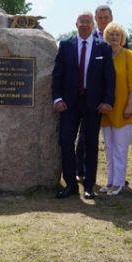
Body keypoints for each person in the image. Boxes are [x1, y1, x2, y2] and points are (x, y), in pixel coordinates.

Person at [53, 11, 115, 199]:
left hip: (93, 104)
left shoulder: (103, 47)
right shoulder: (66, 45)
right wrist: (57, 98)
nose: (85, 25)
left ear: (93, 25)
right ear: (76, 23)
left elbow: (109, 77)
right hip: (69, 104)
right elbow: (57, 75)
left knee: (91, 144)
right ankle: (71, 184)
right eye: (82, 22)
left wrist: (107, 101)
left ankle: (89, 186)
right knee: (65, 141)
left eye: (88, 22)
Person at [98, 22, 132, 196]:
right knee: (108, 147)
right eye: (110, 35)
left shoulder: (128, 55)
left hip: (124, 108)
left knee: (120, 147)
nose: (114, 38)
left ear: (122, 38)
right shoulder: (103, 55)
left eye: (117, 35)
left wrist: (130, 106)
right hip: (106, 109)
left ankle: (119, 182)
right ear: (105, 37)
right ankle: (110, 181)